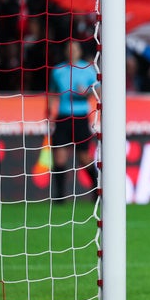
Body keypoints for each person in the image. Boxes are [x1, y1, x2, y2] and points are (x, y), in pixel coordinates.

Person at [48, 40, 99, 202]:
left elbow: (97, 91)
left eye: (75, 49)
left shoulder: (88, 69)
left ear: (79, 51)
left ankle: (96, 188)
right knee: (59, 157)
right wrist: (49, 109)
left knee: (84, 158)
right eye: (69, 49)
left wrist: (85, 93)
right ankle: (60, 197)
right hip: (62, 117)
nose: (72, 52)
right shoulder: (58, 70)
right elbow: (52, 91)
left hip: (80, 118)